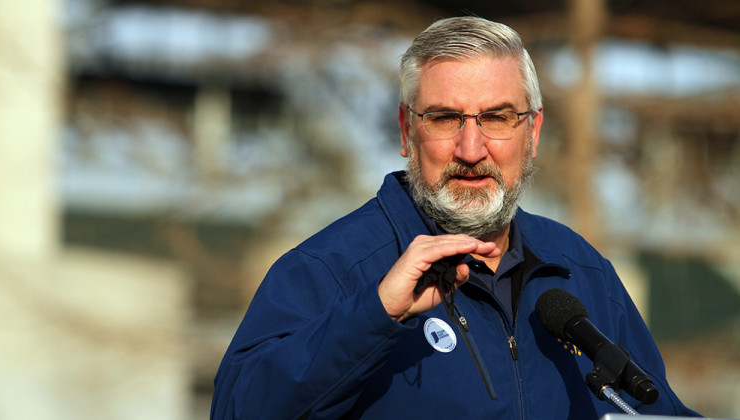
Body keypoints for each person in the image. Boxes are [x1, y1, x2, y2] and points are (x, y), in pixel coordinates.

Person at [211, 16, 698, 419]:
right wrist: (375, 316)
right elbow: (237, 411)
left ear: (532, 133)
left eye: (497, 117)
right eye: (445, 118)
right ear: (406, 130)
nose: (471, 149)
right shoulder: (329, 271)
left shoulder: (583, 272)